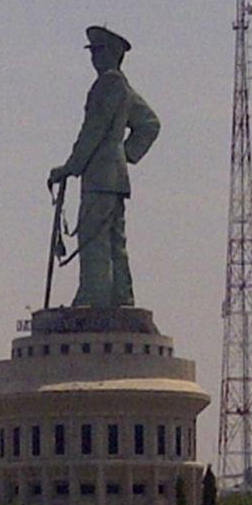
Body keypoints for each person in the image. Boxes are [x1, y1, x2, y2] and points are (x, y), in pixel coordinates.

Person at [48, 25, 160, 308]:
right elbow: (149, 123)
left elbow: (92, 131)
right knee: (114, 241)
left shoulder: (108, 85)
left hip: (99, 177)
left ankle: (94, 299)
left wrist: (69, 167)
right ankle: (122, 297)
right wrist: (124, 154)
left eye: (98, 51)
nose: (93, 58)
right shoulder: (123, 87)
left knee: (94, 238)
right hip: (115, 178)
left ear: (111, 54)